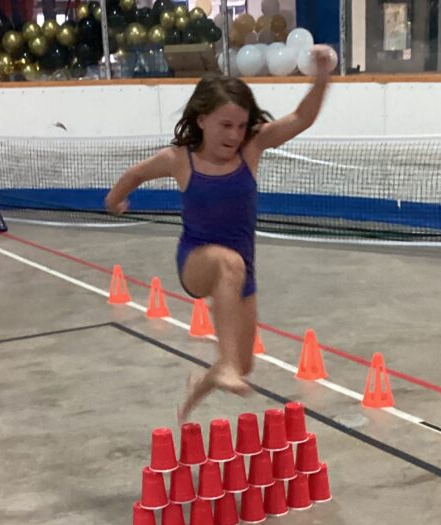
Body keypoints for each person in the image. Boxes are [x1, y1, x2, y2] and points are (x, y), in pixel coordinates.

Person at [106, 46, 333, 421]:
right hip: (196, 262)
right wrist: (115, 201)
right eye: (225, 125)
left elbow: (301, 118)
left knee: (244, 365)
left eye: (241, 126)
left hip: (243, 272)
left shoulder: (252, 148)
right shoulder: (180, 159)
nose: (234, 134)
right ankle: (223, 363)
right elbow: (134, 175)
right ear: (201, 120)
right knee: (227, 264)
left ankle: (207, 378)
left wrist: (322, 77)